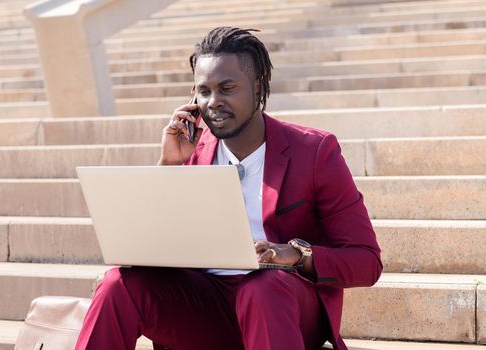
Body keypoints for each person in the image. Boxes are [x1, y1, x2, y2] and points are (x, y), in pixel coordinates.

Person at [76, 27, 382, 350]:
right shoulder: (191, 151)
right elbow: (151, 248)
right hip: (208, 304)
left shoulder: (315, 151)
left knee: (261, 287)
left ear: (258, 87)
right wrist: (168, 166)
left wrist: (294, 254)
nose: (214, 102)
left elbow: (367, 261)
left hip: (281, 304)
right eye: (204, 91)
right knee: (117, 285)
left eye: (227, 88)